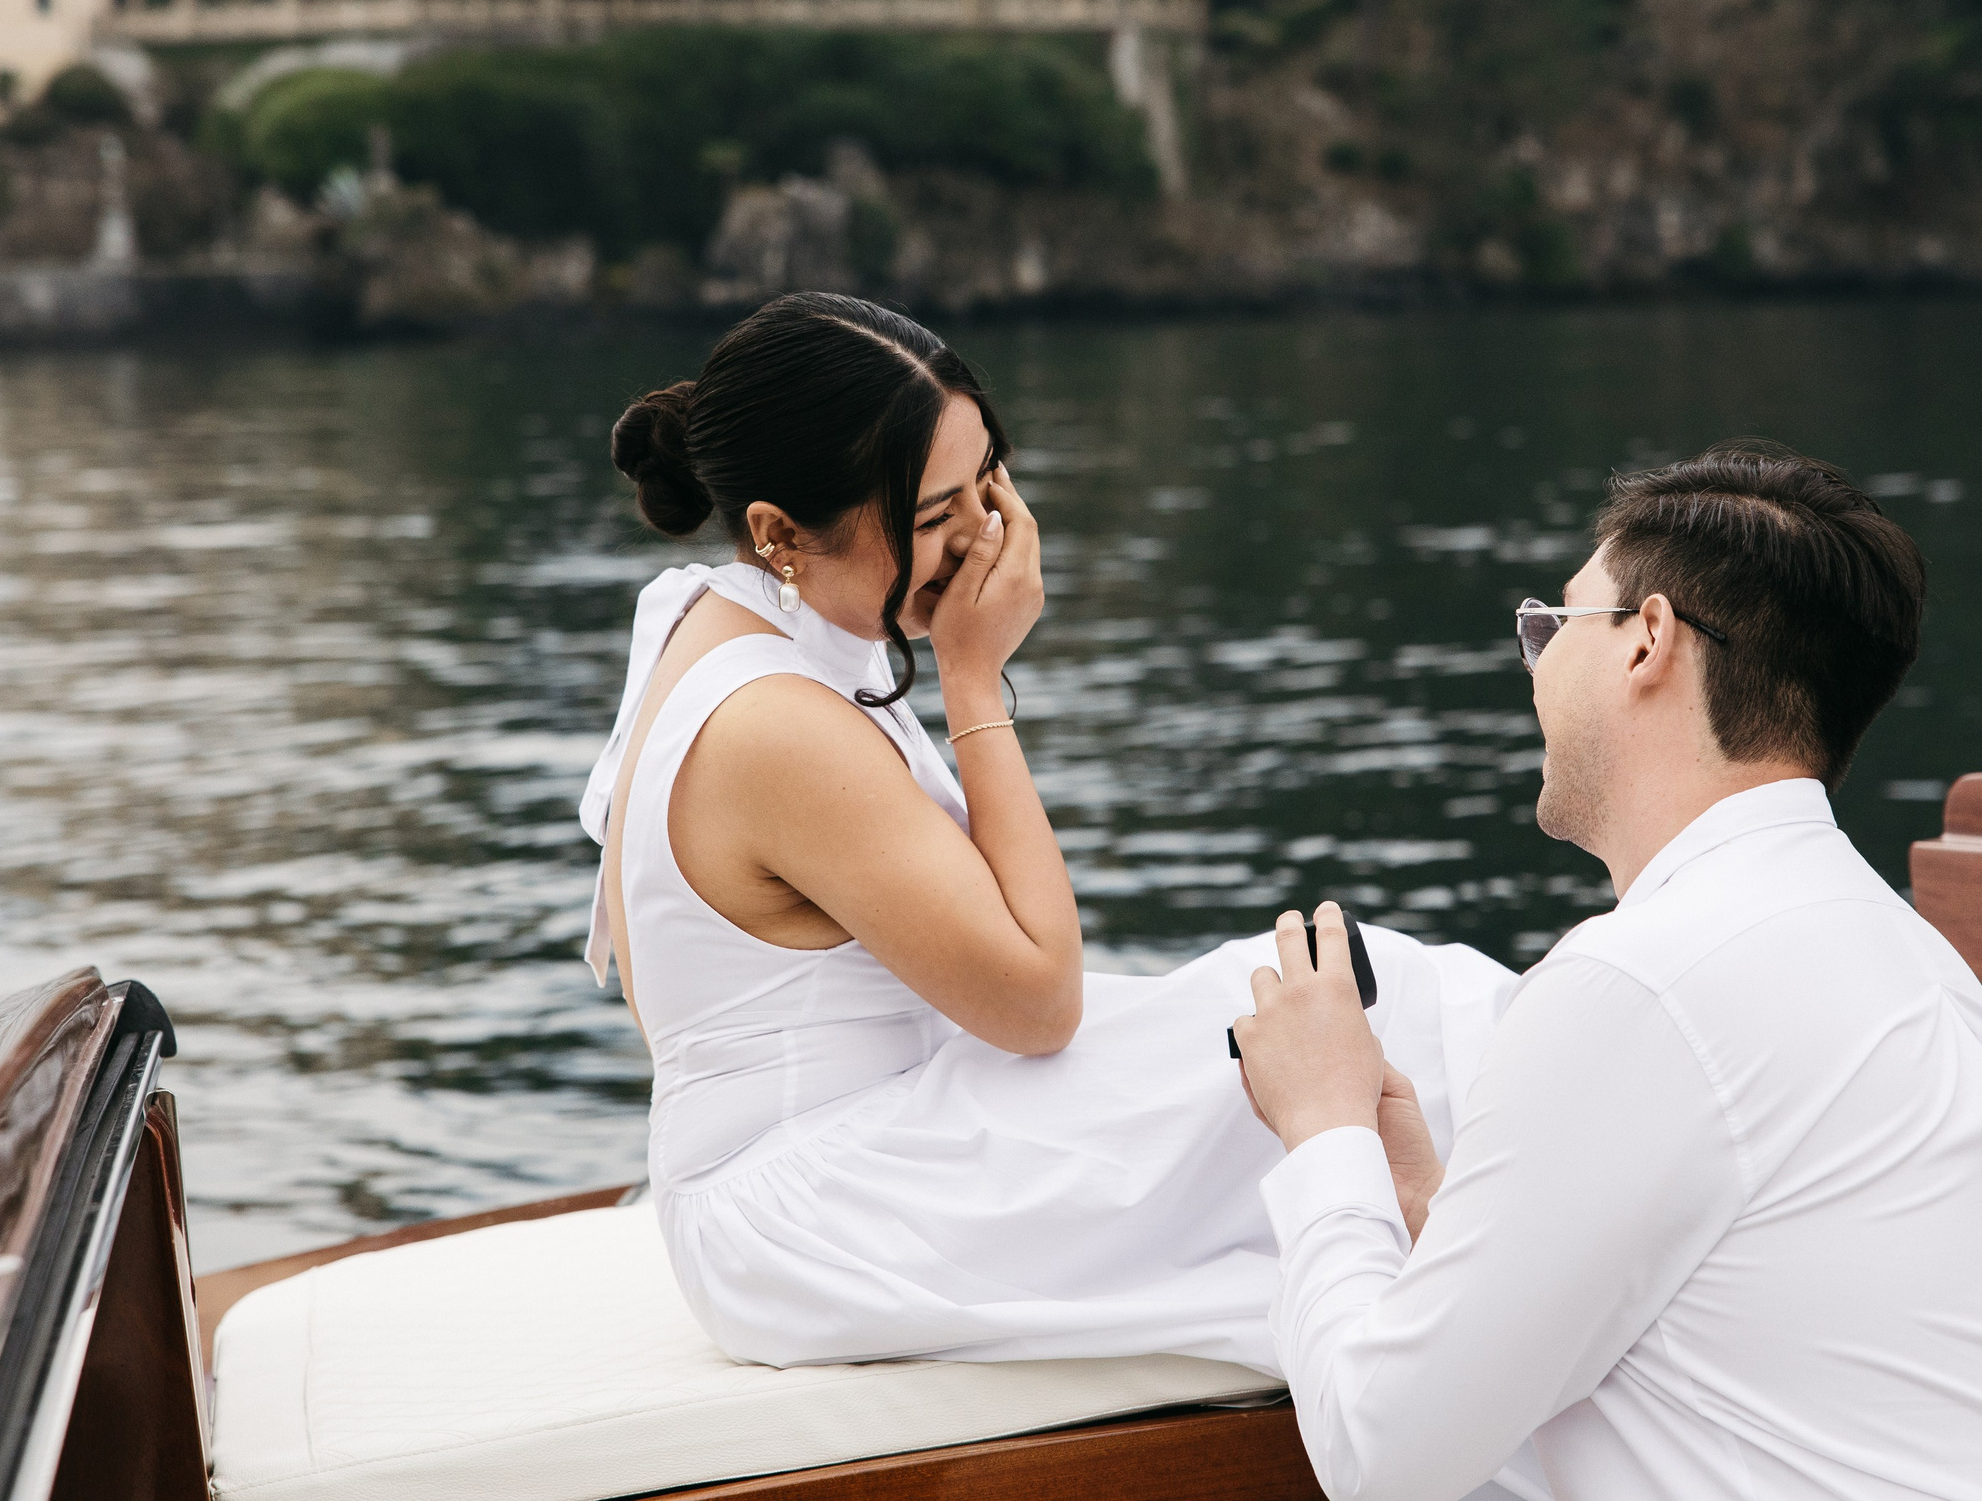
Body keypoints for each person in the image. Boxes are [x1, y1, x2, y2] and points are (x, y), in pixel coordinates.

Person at [579, 291, 1521, 1373]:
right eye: (935, 515)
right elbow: (1036, 1002)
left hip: (856, 1149)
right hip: (817, 1210)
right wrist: (973, 676)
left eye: (988, 484)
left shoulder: (727, 617)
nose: (983, 537)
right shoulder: (772, 723)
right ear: (780, 534)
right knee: (1360, 1029)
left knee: (1342, 1000)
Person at [1231, 444, 1982, 1500]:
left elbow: (1379, 1454)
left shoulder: (1636, 983)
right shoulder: (1921, 966)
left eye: (1553, 627)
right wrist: (1426, 1199)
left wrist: (1324, 1132)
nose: (1534, 668)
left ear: (1648, 640)